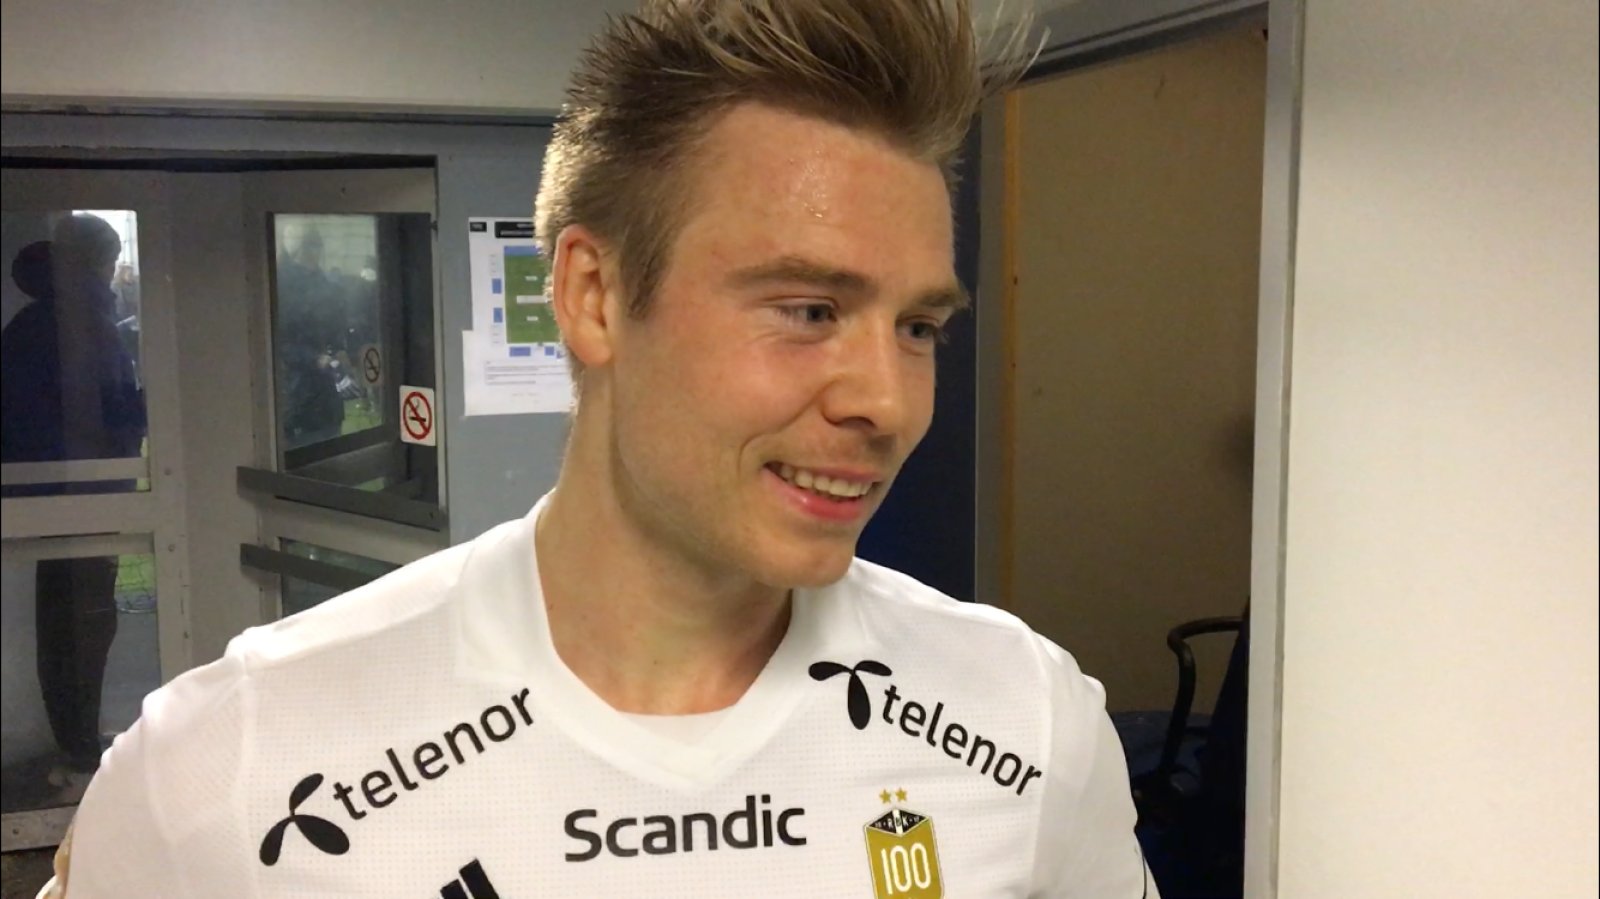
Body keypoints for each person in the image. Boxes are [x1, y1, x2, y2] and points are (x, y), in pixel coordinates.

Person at [46, 2, 1156, 896]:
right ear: (592, 294)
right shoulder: (232, 767)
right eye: (809, 309)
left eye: (917, 327)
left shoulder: (1026, 724)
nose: (887, 400)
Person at [1, 217, 146, 812]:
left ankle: (75, 747)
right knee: (84, 623)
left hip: (49, 498)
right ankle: (84, 757)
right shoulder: (83, 324)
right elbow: (101, 415)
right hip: (83, 496)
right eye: (110, 260)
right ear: (98, 263)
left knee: (62, 621)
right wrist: (148, 405)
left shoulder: (35, 322)